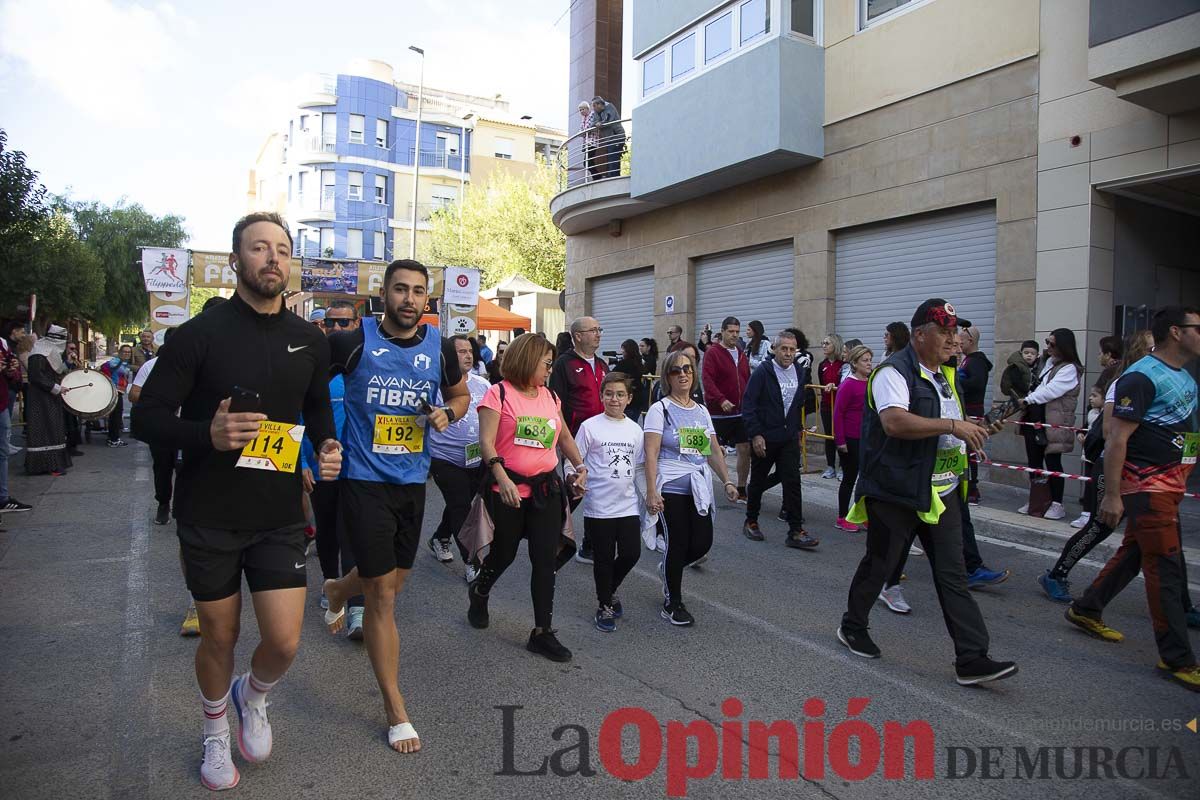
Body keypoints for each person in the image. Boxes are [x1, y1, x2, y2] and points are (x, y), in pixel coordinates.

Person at [131, 212, 341, 790]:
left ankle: (253, 695)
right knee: (220, 636)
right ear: (235, 262)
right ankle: (215, 731)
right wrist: (208, 434)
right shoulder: (198, 335)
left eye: (282, 249)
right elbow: (146, 417)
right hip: (210, 514)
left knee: (284, 639)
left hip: (277, 514)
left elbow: (318, 409)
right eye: (259, 248)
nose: (273, 258)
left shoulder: (311, 339)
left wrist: (325, 444)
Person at [320, 259, 469, 754]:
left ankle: (340, 589)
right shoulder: (352, 341)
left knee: (393, 579)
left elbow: (462, 394)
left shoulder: (440, 347)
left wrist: (448, 412)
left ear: (428, 299)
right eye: (400, 289)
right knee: (384, 596)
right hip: (363, 481)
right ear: (381, 294)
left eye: (418, 292)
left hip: (412, 482)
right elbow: (309, 389)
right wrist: (320, 444)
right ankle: (395, 708)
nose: (409, 299)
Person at [838, 299, 1017, 686]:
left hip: (941, 491)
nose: (955, 340)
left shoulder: (945, 371)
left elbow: (943, 421)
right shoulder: (892, 371)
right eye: (946, 333)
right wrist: (954, 426)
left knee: (952, 574)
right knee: (881, 564)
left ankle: (971, 658)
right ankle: (853, 625)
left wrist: (973, 432)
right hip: (896, 490)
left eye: (957, 333)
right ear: (920, 335)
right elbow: (895, 422)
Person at [1066, 306, 1200, 692]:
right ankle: (1177, 658)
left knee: (1136, 553)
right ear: (1176, 332)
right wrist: (1111, 495)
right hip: (1147, 487)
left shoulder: (1185, 377)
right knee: (1167, 568)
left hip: (1171, 486)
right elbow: (1116, 440)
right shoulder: (1140, 376)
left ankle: (1086, 607)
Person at [464, 333, 588, 661]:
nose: (550, 370)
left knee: (544, 560)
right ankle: (481, 590)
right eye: (546, 364)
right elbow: (487, 443)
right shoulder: (498, 394)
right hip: (506, 491)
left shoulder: (549, 396)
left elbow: (563, 435)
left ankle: (542, 632)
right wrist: (502, 478)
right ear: (528, 360)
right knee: (503, 554)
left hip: (546, 491)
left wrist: (579, 465)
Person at [645, 350, 740, 625]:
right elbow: (650, 453)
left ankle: (669, 568)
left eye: (687, 369)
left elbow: (711, 450)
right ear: (668, 377)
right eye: (676, 370)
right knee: (678, 543)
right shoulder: (659, 410)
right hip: (671, 486)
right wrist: (652, 491)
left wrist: (728, 481)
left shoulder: (700, 411)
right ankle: (672, 601)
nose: (683, 374)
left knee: (702, 544)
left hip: (698, 486)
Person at [299, 299, 365, 639]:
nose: (337, 329)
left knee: (351, 532)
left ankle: (356, 608)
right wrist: (300, 465)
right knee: (327, 532)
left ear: (356, 324)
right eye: (331, 323)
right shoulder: (312, 368)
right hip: (320, 467)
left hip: (360, 470)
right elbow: (293, 418)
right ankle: (330, 585)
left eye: (344, 323)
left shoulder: (364, 366)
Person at [574, 372, 644, 631]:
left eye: (620, 394)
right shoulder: (590, 426)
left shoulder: (635, 430)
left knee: (631, 553)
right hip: (599, 506)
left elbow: (638, 468)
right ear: (602, 396)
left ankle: (609, 588)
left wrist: (649, 497)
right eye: (609, 394)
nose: (614, 399)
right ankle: (604, 603)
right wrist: (576, 477)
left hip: (627, 505)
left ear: (629, 398)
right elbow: (575, 459)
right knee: (603, 558)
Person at [742, 330, 817, 548]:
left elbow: (797, 403)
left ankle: (795, 530)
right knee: (757, 480)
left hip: (788, 437)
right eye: (783, 349)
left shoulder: (799, 372)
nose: (788, 353)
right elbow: (749, 405)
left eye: (792, 349)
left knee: (792, 482)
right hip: (765, 437)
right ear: (774, 349)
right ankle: (751, 521)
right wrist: (755, 434)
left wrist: (798, 429)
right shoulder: (763, 372)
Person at [427, 334, 490, 576]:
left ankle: (440, 536)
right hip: (444, 457)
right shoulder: (435, 384)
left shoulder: (482, 384)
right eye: (460, 351)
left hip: (476, 457)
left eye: (469, 351)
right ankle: (472, 562)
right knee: (461, 506)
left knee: (460, 503)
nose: (467, 355)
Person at [549, 316, 608, 563]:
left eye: (599, 329)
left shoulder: (603, 365)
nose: (598, 334)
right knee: (574, 491)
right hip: (575, 439)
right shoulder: (564, 364)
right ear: (578, 336)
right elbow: (556, 403)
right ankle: (551, 536)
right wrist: (561, 441)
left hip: (602, 439)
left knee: (601, 491)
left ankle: (589, 545)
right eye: (592, 330)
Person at [1017, 328, 1082, 520]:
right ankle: (1037, 499)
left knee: (1053, 463)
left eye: (1052, 343)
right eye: (1047, 342)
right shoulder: (1047, 363)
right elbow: (1038, 384)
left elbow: (1051, 390)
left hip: (1054, 422)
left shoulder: (1069, 368)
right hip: (1035, 418)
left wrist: (1028, 400)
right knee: (1034, 462)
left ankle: (1057, 503)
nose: (1048, 347)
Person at [701, 317, 751, 501]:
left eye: (737, 332)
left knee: (745, 448)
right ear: (722, 332)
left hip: (740, 411)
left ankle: (741, 486)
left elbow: (746, 378)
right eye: (731, 331)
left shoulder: (741, 353)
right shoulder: (713, 353)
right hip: (718, 412)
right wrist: (720, 399)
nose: (734, 335)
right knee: (711, 450)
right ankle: (721, 481)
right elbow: (707, 379)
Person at [130, 328, 178, 525]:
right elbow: (133, 394)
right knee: (163, 467)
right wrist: (162, 401)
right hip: (162, 425)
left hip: (189, 424)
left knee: (188, 468)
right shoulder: (151, 366)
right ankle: (163, 504)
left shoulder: (197, 363)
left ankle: (185, 508)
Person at [23, 325, 73, 476]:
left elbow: (54, 371)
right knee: (44, 428)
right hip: (40, 397)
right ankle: (44, 465)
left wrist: (68, 363)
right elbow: (36, 376)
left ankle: (54, 464)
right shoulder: (39, 353)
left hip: (49, 395)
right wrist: (56, 388)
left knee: (53, 427)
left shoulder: (47, 350)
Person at [834, 345, 871, 532]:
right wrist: (840, 441)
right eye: (865, 360)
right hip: (850, 438)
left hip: (866, 438)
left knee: (865, 479)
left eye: (870, 360)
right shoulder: (848, 384)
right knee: (849, 478)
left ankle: (861, 515)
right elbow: (838, 413)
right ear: (854, 363)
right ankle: (842, 517)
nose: (869, 364)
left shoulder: (870, 382)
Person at [957, 325, 992, 504]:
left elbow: (976, 383)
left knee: (971, 449)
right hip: (965, 409)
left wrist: (956, 383)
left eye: (961, 341)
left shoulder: (976, 361)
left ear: (970, 341)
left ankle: (973, 488)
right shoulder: (967, 360)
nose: (958, 344)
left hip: (972, 411)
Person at [0, 325, 31, 513]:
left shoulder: (3, 343)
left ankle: (2, 498)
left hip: (2, 401)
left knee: (2, 452)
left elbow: (11, 370)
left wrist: (11, 369)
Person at [817, 334, 845, 479]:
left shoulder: (843, 365)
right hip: (827, 406)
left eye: (827, 343)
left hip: (840, 406)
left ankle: (842, 467)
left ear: (835, 344)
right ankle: (830, 466)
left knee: (840, 436)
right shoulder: (822, 365)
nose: (824, 345)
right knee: (829, 436)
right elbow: (821, 384)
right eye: (823, 343)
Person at [99, 344, 134, 447]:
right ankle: (113, 440)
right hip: (115, 391)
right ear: (119, 353)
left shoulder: (124, 363)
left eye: (129, 352)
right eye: (124, 352)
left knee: (116, 416)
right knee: (116, 416)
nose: (127, 354)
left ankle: (113, 438)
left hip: (119, 391)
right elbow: (107, 367)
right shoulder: (116, 361)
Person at [591, 95, 626, 179]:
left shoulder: (610, 107)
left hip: (617, 136)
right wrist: (596, 124)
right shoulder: (596, 112)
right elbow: (593, 123)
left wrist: (600, 123)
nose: (593, 108)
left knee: (613, 156)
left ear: (599, 104)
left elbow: (609, 120)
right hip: (609, 139)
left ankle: (614, 178)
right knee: (611, 156)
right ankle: (612, 177)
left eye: (594, 106)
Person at [614, 339, 647, 421]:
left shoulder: (624, 363)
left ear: (628, 350)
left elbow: (612, 375)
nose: (622, 351)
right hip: (639, 397)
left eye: (623, 349)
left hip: (628, 398)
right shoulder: (639, 362)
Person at [578, 100, 600, 182]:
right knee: (587, 162)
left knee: (588, 162)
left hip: (592, 142)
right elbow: (580, 131)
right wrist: (583, 132)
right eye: (580, 110)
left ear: (587, 108)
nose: (581, 111)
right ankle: (597, 177)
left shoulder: (592, 114)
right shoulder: (584, 118)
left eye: (583, 109)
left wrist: (584, 132)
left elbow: (588, 128)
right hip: (586, 143)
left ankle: (597, 177)